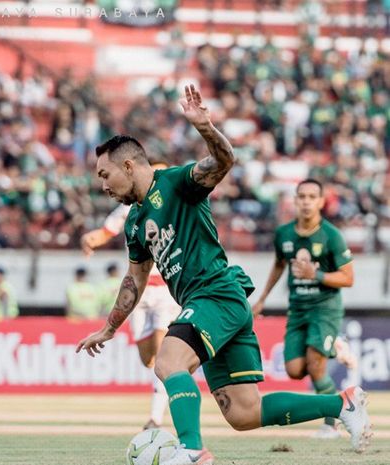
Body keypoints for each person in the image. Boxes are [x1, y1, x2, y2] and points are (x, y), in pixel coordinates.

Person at [75, 85, 372, 465]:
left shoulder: (177, 183)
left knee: (169, 363)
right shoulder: (134, 223)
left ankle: (191, 452)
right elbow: (134, 280)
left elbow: (224, 160)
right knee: (243, 413)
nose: (102, 185)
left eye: (105, 174)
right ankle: (343, 403)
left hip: (215, 295)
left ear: (128, 166)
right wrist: (109, 327)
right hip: (216, 304)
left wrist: (206, 128)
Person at [252, 179, 355, 439]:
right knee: (295, 370)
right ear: (295, 201)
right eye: (302, 196)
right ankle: (335, 346)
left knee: (316, 366)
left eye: (312, 197)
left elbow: (348, 277)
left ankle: (331, 425)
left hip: (325, 308)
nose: (307, 201)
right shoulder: (284, 233)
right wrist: (263, 297)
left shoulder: (331, 236)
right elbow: (279, 264)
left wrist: (316, 274)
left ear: (321, 202)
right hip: (297, 308)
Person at [81, 166, 181, 430]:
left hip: (166, 292)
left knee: (161, 356)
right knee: (147, 359)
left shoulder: (174, 205)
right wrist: (90, 239)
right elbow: (105, 231)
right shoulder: (129, 208)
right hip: (138, 291)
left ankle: (155, 418)